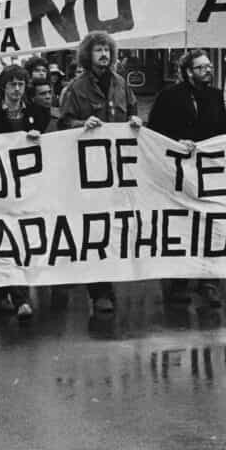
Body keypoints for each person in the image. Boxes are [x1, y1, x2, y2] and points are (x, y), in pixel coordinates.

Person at [59, 31, 143, 315]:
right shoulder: (76, 88)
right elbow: (63, 124)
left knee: (118, 226)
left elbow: (133, 112)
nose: (104, 55)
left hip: (119, 171)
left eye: (107, 49)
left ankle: (115, 278)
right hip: (91, 171)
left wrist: (135, 120)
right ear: (87, 55)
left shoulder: (121, 85)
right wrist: (82, 124)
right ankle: (100, 291)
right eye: (98, 50)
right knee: (96, 229)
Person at [147, 49, 226, 307]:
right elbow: (154, 133)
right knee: (181, 226)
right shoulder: (168, 97)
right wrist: (176, 143)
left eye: (209, 66)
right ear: (188, 72)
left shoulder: (216, 97)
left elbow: (223, 133)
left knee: (210, 227)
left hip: (207, 173)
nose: (208, 70)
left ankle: (209, 282)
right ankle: (179, 282)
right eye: (202, 67)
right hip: (177, 173)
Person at [0, 65, 50, 321]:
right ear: (3, 87)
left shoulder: (39, 113)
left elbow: (49, 143)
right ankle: (1, 295)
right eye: (12, 85)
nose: (17, 90)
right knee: (2, 239)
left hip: (27, 186)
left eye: (21, 84)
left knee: (20, 239)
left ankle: (19, 298)